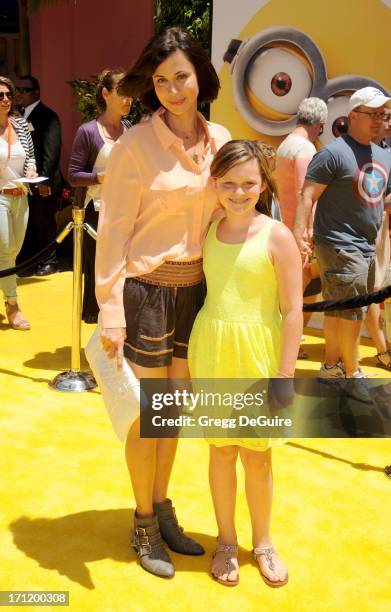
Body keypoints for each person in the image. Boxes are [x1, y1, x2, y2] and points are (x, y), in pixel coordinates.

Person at [95, 27, 231, 578]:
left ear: (199, 76)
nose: (173, 89)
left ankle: (164, 503)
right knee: (148, 420)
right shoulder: (133, 147)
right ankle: (144, 519)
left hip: (197, 293)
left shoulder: (219, 138)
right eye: (160, 80)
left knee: (173, 414)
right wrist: (110, 309)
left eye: (181, 76)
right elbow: (112, 235)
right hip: (146, 293)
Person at [188, 140, 303, 586]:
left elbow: (293, 310)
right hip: (213, 352)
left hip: (260, 356)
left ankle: (264, 542)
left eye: (249, 183)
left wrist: (285, 375)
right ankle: (225, 541)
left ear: (263, 184)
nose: (239, 192)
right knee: (221, 452)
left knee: (257, 457)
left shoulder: (277, 235)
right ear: (215, 183)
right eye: (229, 183)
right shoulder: (210, 226)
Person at [294, 87, 391, 383]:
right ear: (352, 116)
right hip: (338, 244)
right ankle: (353, 372)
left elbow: (382, 199)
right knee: (352, 313)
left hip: (366, 245)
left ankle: (331, 367)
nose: (378, 119)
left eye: (382, 114)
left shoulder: (384, 155)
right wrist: (301, 233)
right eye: (371, 113)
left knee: (340, 310)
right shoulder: (333, 153)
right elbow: (307, 196)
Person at [68, 69, 132, 323]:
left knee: (123, 272)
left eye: (131, 94)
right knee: (98, 273)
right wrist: (100, 178)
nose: (129, 99)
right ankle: (99, 330)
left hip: (126, 209)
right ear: (106, 94)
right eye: (122, 92)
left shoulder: (130, 129)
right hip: (96, 211)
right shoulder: (88, 131)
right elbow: (73, 175)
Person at [275, 98, 328, 358]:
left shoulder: (285, 145)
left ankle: (287, 343)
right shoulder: (305, 148)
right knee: (299, 295)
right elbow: (304, 192)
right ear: (319, 125)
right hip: (299, 233)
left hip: (286, 228)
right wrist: (307, 232)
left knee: (294, 293)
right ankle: (289, 345)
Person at [15, 75, 63, 276]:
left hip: (45, 181)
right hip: (26, 182)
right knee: (31, 223)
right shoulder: (18, 116)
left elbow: (52, 151)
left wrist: (45, 179)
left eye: (24, 90)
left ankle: (50, 261)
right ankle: (32, 262)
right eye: (18, 90)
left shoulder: (47, 116)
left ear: (36, 93)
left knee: (44, 223)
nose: (19, 94)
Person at [0, 76, 37, 330]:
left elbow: (30, 157)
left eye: (8, 95)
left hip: (21, 195)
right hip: (0, 196)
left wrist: (32, 172)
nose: (5, 100)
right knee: (5, 251)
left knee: (13, 251)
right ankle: (13, 305)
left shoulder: (21, 125)